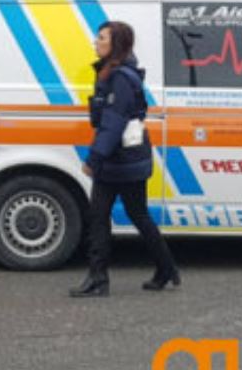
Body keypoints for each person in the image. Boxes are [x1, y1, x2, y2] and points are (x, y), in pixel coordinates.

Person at [70, 21, 180, 298]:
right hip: (127, 158)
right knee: (137, 214)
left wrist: (94, 159)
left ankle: (98, 280)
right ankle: (166, 268)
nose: (96, 42)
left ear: (115, 44)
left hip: (117, 160)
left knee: (99, 216)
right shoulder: (117, 72)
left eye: (102, 38)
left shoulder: (119, 77)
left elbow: (113, 123)